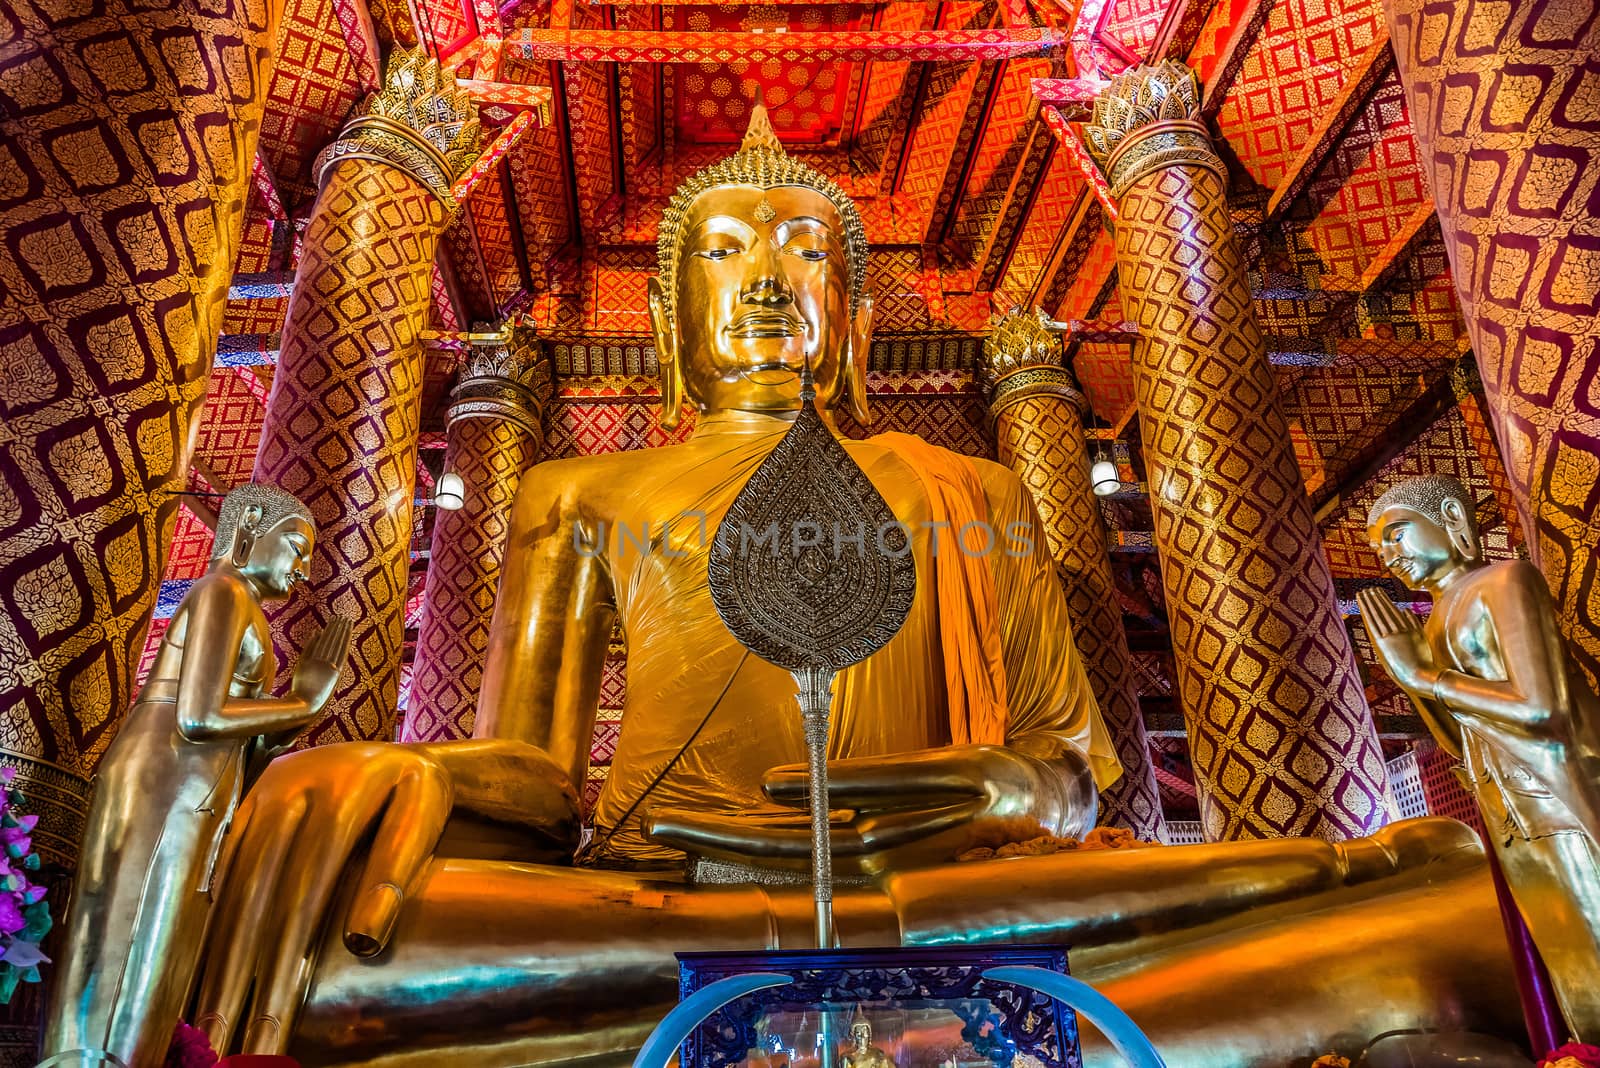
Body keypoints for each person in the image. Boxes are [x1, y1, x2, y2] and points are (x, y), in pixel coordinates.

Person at [174, 106, 1518, 1066]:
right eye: (729, 251)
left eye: (806, 251)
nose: (768, 279)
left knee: (1436, 876)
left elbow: (1067, 774)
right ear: (674, 310)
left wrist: (1004, 784)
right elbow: (538, 775)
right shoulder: (579, 494)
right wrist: (422, 776)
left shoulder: (971, 490)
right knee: (327, 946)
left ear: (857, 309)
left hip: (951, 882)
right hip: (662, 886)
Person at [41, 485, 351, 1068]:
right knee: (134, 935)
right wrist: (302, 705)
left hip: (202, 781)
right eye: (296, 545)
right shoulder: (222, 591)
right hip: (168, 770)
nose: (304, 569)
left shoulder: (245, 607)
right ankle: (90, 1059)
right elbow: (199, 715)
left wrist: (291, 714)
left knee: (167, 945)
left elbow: (243, 740)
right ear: (249, 527)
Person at [1360, 474, 1600, 1041]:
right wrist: (1415, 681)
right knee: (1571, 974)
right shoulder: (1436, 616)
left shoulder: (1504, 580)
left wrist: (1426, 676)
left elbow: (1543, 710)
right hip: (1509, 810)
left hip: (1559, 793)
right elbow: (1457, 739)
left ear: (1450, 515)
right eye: (1379, 549)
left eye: (1397, 533)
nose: (1390, 555)